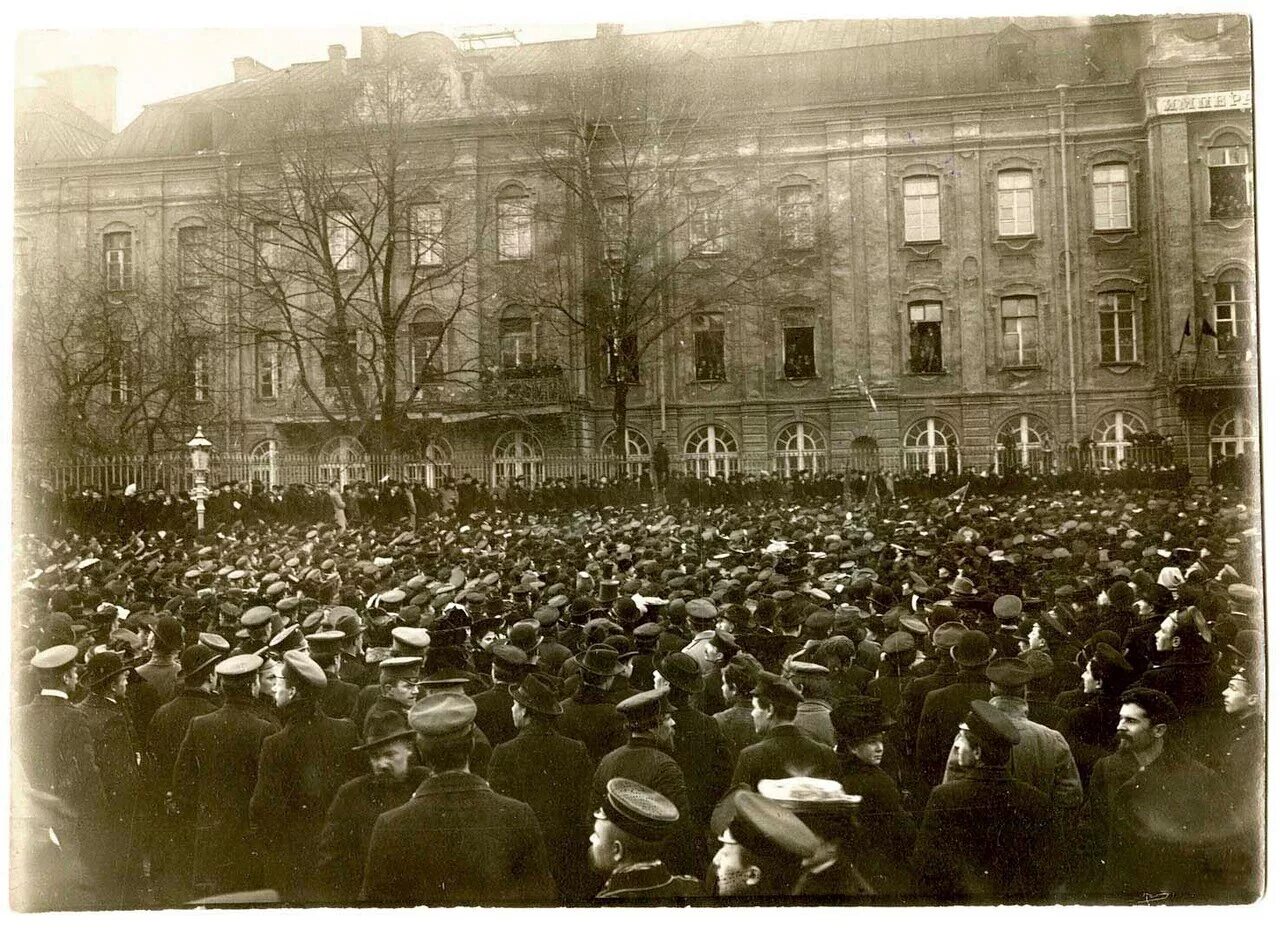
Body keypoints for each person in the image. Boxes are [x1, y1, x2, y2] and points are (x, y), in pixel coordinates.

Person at [360, 694, 556, 906]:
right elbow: (541, 903)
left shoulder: (390, 825)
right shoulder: (518, 815)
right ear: (472, 744)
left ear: (420, 752)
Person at [1080, 687, 1231, 901]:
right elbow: (1093, 833)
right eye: (1121, 719)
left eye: (1131, 721)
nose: (1119, 727)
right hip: (1122, 894)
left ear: (1159, 730)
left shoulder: (1200, 778)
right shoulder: (1106, 770)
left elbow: (1218, 845)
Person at [912, 700, 1059, 902]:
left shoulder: (944, 797)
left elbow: (928, 866)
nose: (956, 745)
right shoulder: (1036, 800)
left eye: (962, 739)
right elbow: (1046, 872)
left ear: (978, 752)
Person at [250, 649, 362, 904]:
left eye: (279, 682)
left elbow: (263, 806)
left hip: (296, 856)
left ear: (292, 693)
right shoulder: (346, 730)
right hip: (341, 851)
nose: (276, 688)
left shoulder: (275, 744)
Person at [172, 654, 277, 899]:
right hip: (249, 835)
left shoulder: (199, 725)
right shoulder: (264, 729)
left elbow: (182, 779)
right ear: (253, 687)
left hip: (211, 831)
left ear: (222, 687)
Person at [488, 672, 595, 901]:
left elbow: (499, 811)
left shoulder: (504, 753)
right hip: (568, 855)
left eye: (515, 704)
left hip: (523, 856)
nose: (512, 709)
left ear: (525, 711)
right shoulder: (576, 750)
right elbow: (585, 805)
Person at [941, 657, 1082, 811]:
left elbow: (951, 787)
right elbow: (1070, 796)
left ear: (992, 689)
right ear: (1025, 692)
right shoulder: (1052, 738)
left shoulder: (969, 736)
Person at [318, 710, 428, 904]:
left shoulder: (425, 784)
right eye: (375, 757)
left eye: (390, 754)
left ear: (409, 748)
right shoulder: (351, 795)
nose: (382, 764)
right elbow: (333, 859)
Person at [144, 639, 225, 903]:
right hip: (207, 814)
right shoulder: (216, 715)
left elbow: (151, 766)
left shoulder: (162, 713)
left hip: (171, 811)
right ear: (211, 676)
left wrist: (167, 796)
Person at [75, 649, 144, 908]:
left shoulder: (82, 709)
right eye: (124, 679)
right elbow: (123, 777)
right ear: (113, 685)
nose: (126, 682)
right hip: (117, 814)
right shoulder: (113, 719)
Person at [831, 696, 916, 895]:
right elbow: (903, 831)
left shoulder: (835, 768)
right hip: (877, 868)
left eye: (880, 741)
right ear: (852, 746)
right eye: (871, 742)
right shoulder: (879, 782)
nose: (880, 748)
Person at [590, 778, 703, 902]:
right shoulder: (693, 888)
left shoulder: (608, 902)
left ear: (617, 851)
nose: (591, 838)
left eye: (597, 835)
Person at [729, 672, 838, 793]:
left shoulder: (750, 757)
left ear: (770, 709)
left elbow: (738, 803)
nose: (752, 713)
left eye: (755, 707)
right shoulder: (825, 754)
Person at [714, 655, 762, 764]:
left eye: (724, 683)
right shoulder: (768, 716)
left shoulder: (719, 720)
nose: (722, 688)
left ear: (734, 688)